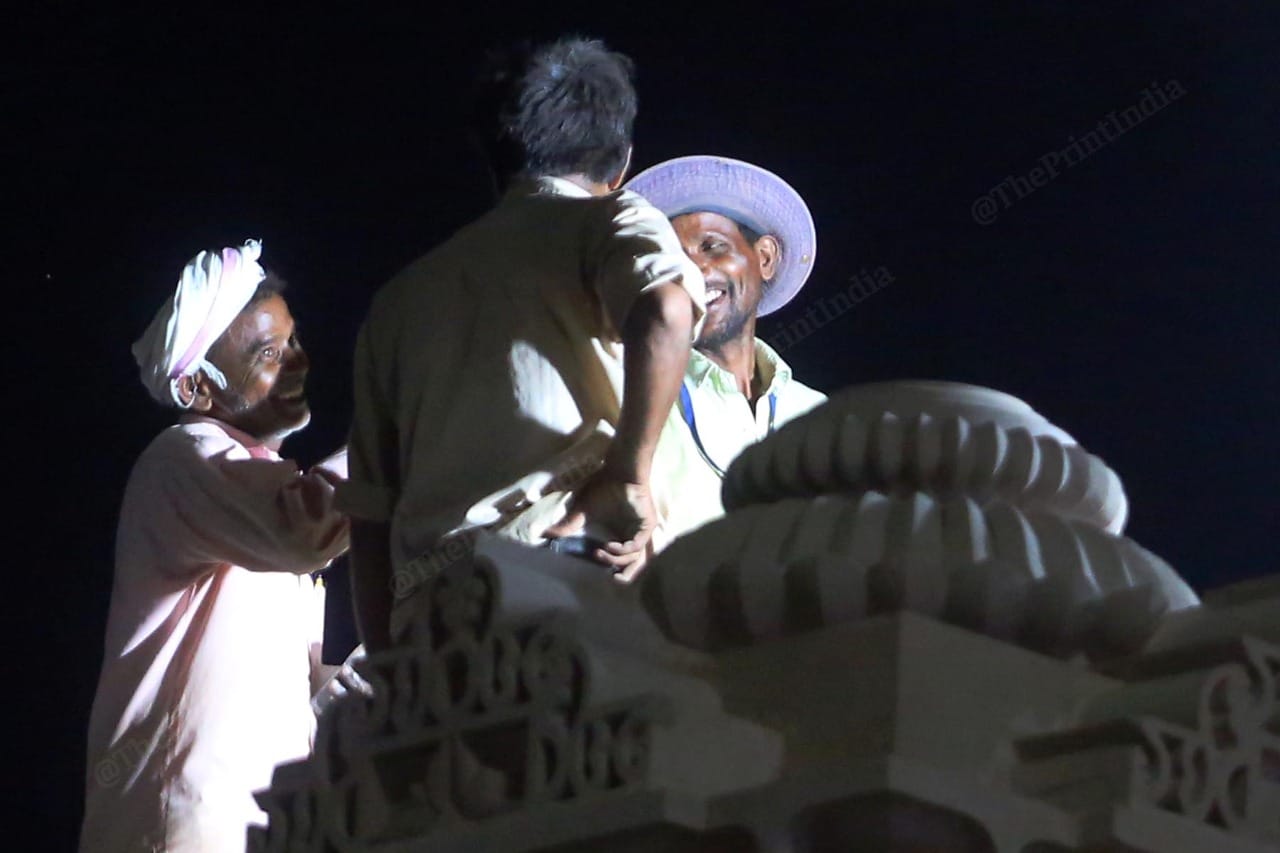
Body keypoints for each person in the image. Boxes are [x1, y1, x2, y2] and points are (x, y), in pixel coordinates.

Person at [339, 37, 706, 652]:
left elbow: (371, 515)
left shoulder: (399, 300)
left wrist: (389, 667)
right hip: (567, 580)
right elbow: (666, 310)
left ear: (494, 158)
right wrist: (628, 474)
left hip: (435, 623)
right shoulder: (609, 219)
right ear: (621, 162)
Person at [79, 240, 350, 853]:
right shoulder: (184, 457)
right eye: (269, 353)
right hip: (180, 823)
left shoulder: (249, 491)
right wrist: (402, 425)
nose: (297, 364)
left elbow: (278, 688)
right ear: (200, 387)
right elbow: (309, 529)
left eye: (295, 342)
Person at [624, 155, 828, 549]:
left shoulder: (816, 414)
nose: (693, 272)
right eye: (672, 258)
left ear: (765, 258)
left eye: (711, 246)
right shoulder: (628, 400)